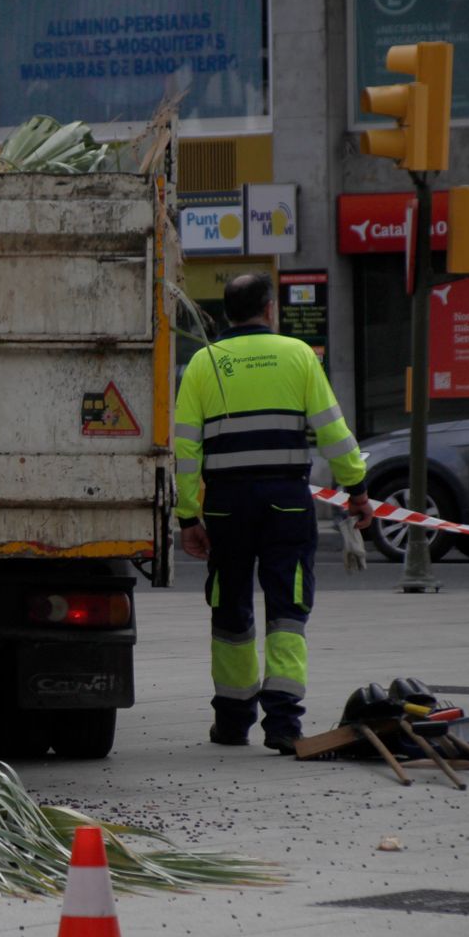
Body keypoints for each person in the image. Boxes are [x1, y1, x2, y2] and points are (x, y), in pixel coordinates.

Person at [173, 274, 375, 754]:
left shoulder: (204, 363)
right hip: (286, 502)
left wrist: (187, 518)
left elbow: (184, 448)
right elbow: (333, 431)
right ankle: (283, 724)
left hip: (225, 506)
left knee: (230, 609)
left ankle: (232, 720)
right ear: (269, 308)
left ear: (227, 313)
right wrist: (357, 491)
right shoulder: (299, 355)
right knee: (288, 609)